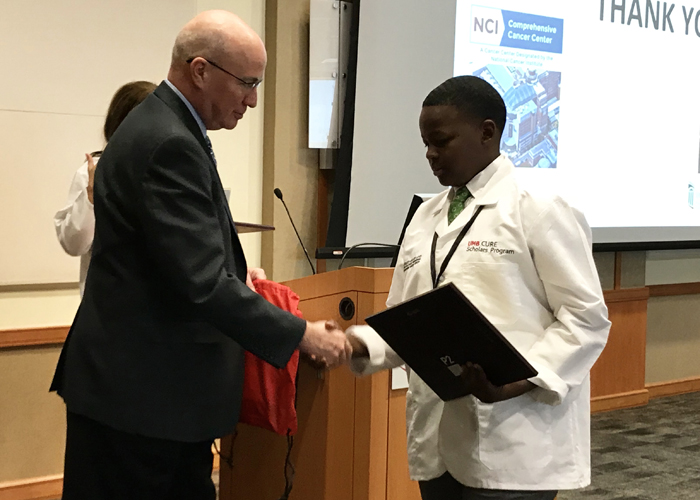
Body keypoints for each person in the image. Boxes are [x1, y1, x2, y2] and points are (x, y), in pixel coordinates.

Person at [50, 10, 351, 500]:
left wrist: (238, 272)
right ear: (200, 70)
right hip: (142, 405)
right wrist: (303, 335)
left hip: (140, 398)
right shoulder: (169, 141)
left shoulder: (163, 126)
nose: (253, 100)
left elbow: (173, 260)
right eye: (247, 83)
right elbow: (202, 282)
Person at [346, 76, 611, 500]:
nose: (431, 155)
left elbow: (586, 319)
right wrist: (354, 345)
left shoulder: (539, 207)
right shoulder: (424, 217)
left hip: (514, 439)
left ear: (487, 132)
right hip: (437, 440)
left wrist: (518, 382)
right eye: (425, 144)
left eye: (441, 141)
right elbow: (404, 318)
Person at [54, 81, 157, 296]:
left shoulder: (168, 171)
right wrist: (91, 196)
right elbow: (74, 244)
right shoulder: (93, 172)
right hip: (109, 306)